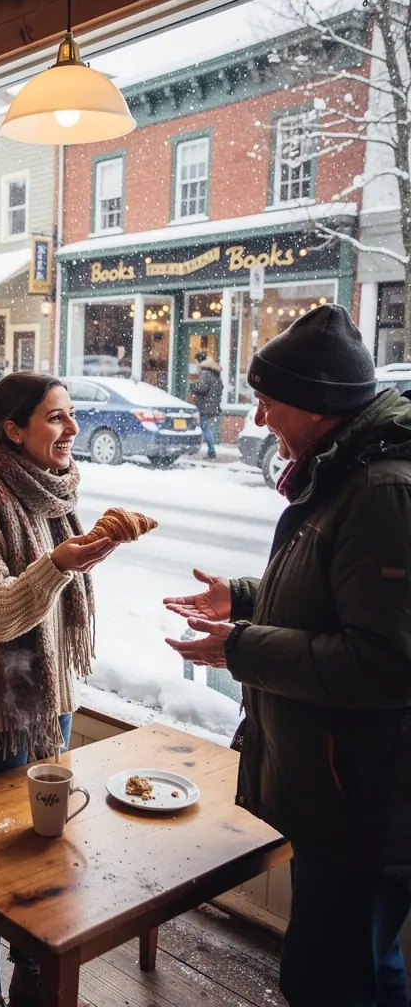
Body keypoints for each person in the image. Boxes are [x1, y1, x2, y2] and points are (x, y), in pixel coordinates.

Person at [165, 304, 411, 1007]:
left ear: (318, 404)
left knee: (336, 980)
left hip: (363, 799)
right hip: (343, 789)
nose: (260, 416)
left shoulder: (382, 492)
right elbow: (331, 592)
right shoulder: (344, 471)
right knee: (357, 966)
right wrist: (243, 598)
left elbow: (385, 662)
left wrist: (240, 647)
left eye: (269, 400)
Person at [0, 372, 119, 1007]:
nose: (71, 430)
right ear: (13, 429)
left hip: (47, 706)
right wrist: (58, 566)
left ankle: (32, 976)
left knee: (43, 852)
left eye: (71, 416)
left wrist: (69, 562)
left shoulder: (53, 497)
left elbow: (51, 604)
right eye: (55, 418)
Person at [190, 350, 224, 460]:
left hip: (205, 405)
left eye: (195, 361)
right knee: (204, 427)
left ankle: (211, 451)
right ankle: (209, 450)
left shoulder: (205, 372)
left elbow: (202, 388)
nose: (195, 364)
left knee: (204, 428)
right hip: (211, 404)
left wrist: (193, 386)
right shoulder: (213, 371)